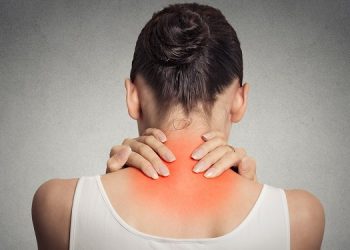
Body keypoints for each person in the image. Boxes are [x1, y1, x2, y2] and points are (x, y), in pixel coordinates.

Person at [32, 3, 325, 250]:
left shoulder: (58, 206)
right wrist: (260, 201)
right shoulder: (300, 217)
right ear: (239, 100)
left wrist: (96, 197)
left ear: (133, 97)